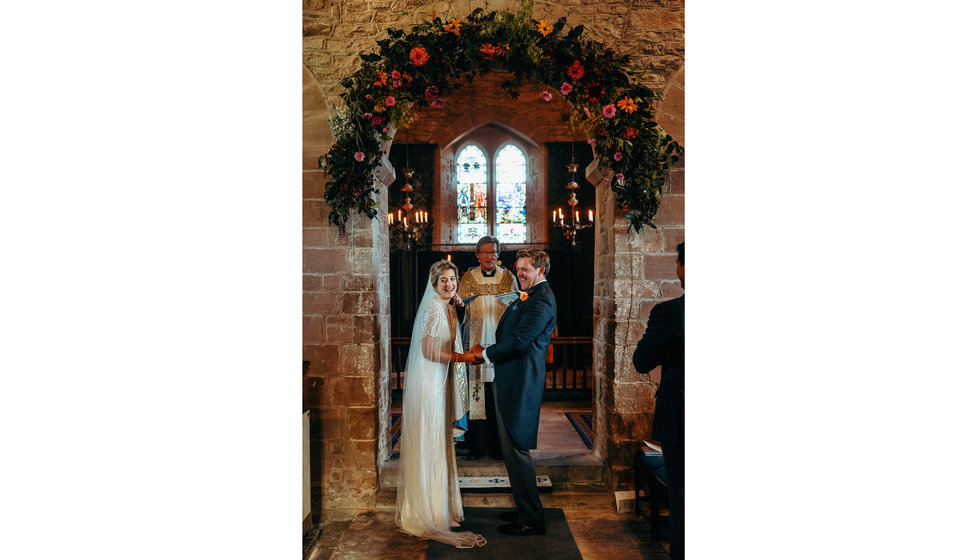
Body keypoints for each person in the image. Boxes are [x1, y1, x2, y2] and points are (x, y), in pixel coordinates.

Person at [395, 260, 487, 548]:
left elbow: (452, 303)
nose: (449, 285)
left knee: (439, 444)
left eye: (452, 279)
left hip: (438, 382)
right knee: (431, 445)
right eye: (443, 281)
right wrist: (463, 358)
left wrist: (455, 300)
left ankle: (440, 510)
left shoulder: (444, 304)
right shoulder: (434, 309)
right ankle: (427, 513)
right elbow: (428, 350)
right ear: (433, 284)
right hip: (429, 385)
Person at [471, 249, 557, 537]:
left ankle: (532, 518)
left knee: (517, 449)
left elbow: (520, 341)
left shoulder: (541, 300)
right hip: (511, 376)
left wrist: (486, 353)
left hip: (521, 380)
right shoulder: (530, 297)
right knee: (511, 450)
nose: (519, 273)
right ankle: (523, 508)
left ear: (541, 270)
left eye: (525, 269)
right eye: (517, 268)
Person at [632, 241, 684, 559]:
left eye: (678, 261)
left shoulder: (669, 313)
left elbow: (641, 362)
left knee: (682, 493)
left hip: (682, 415)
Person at [456, 236, 518, 460]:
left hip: (500, 346)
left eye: (494, 252)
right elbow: (459, 309)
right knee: (477, 396)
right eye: (486, 252)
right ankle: (477, 447)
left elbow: (516, 309)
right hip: (475, 344)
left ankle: (498, 446)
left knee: (497, 398)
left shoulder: (508, 277)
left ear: (498, 254)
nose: (491, 257)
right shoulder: (468, 278)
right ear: (477, 254)